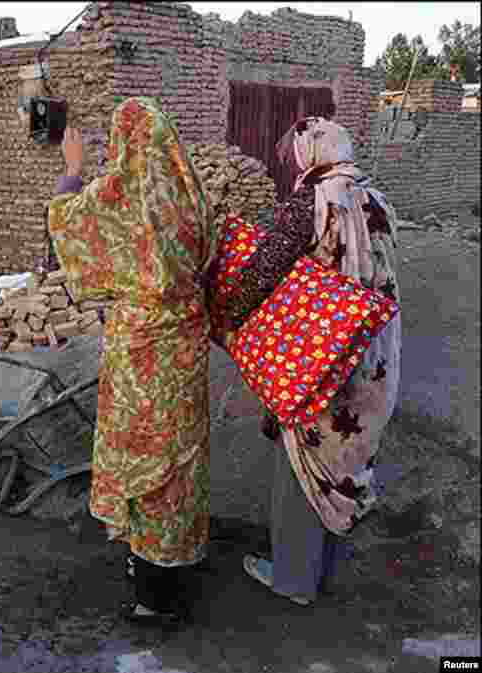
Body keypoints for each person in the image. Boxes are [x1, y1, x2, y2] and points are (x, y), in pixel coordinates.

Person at [48, 98, 217, 622]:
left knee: (142, 456)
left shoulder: (121, 198)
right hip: (185, 344)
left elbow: (68, 225)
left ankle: (151, 597)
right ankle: (176, 570)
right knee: (180, 461)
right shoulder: (192, 196)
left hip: (140, 351)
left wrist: (72, 170)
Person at [224, 117, 402, 606]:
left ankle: (293, 578)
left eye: (291, 156)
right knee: (344, 453)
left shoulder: (314, 202)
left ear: (310, 153)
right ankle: (321, 562)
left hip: (323, 354)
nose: (289, 166)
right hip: (373, 351)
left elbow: (265, 269)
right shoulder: (373, 198)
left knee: (304, 459)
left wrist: (228, 315)